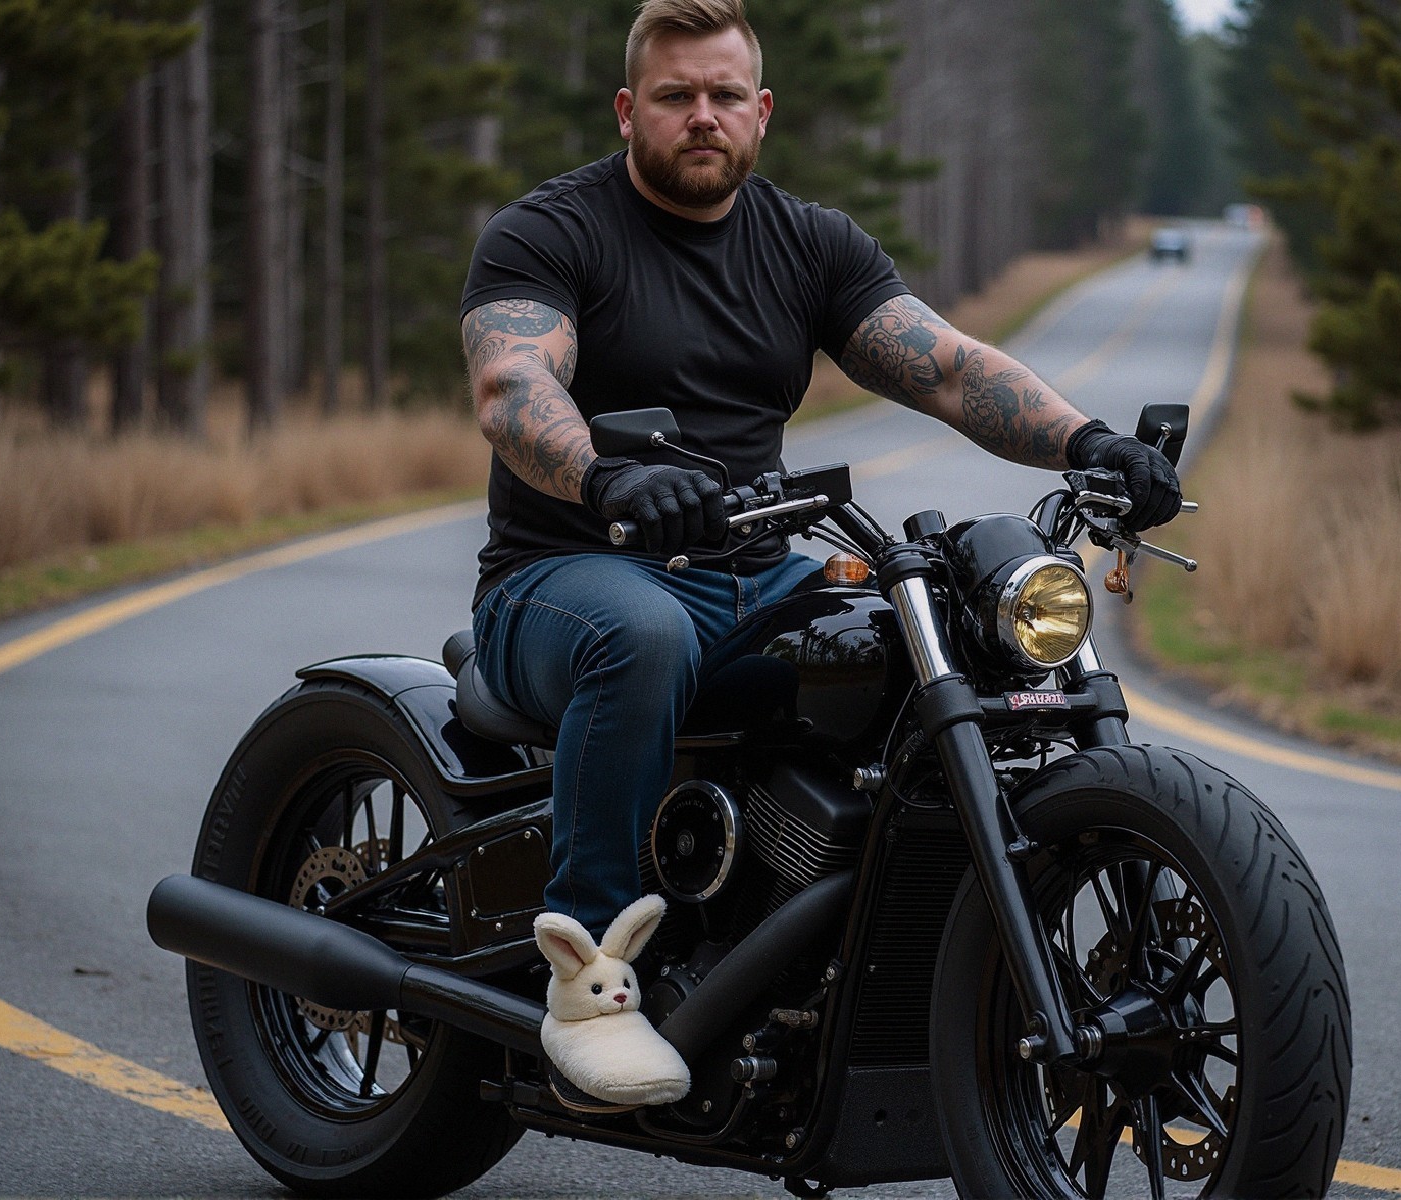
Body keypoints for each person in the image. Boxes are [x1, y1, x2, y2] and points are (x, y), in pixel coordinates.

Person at [459, 0, 1180, 1111]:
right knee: (640, 635)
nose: (701, 116)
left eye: (722, 95)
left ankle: (887, 959)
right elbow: (514, 390)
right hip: (565, 577)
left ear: (761, 110)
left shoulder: (809, 243)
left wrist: (1086, 443)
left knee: (933, 640)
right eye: (674, 95)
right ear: (627, 108)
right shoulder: (550, 231)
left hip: (751, 574)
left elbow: (944, 368)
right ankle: (592, 984)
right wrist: (608, 475)